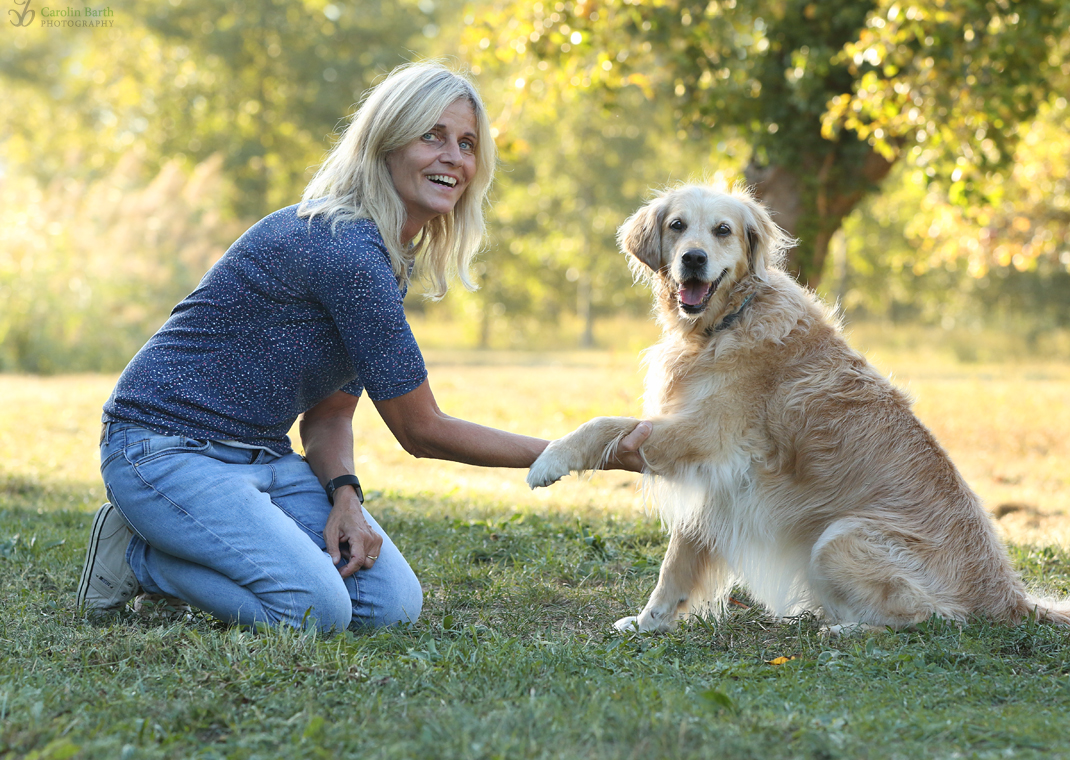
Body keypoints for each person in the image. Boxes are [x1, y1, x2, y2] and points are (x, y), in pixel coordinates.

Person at [77, 62, 651, 631]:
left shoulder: (381, 259)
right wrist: (583, 451)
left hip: (263, 457)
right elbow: (420, 429)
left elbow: (329, 415)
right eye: (433, 135)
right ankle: (140, 558)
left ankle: (181, 545)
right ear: (387, 142)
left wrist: (344, 497)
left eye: (468, 144)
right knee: (316, 611)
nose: (454, 156)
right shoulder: (345, 250)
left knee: (389, 606)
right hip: (164, 450)